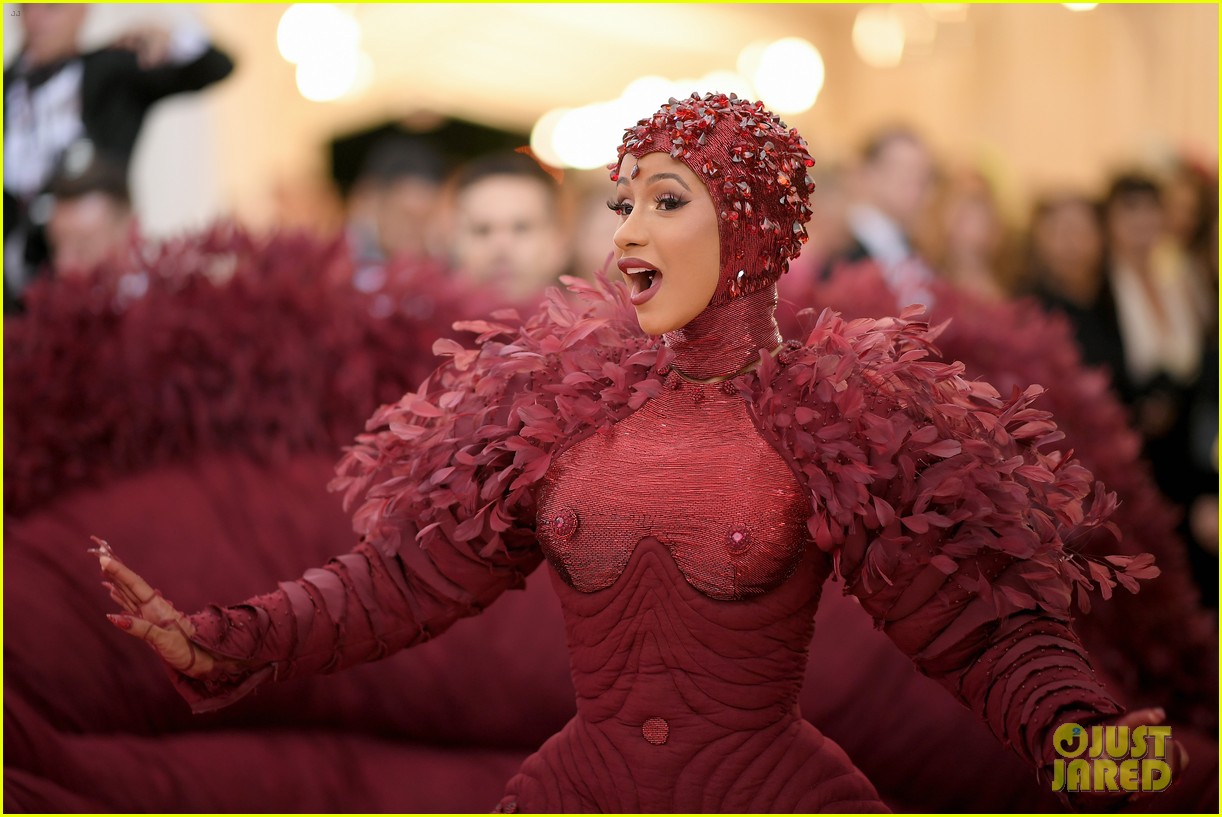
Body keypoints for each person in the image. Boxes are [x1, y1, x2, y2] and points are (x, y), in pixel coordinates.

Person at [94, 93, 1184, 812]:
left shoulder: (834, 415)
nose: (623, 235)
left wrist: (1128, 756)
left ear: (749, 233)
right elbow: (402, 581)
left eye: (666, 203)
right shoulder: (562, 402)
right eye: (623, 205)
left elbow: (984, 644)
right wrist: (226, 638)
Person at [4, 3, 233, 312]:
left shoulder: (109, 71)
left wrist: (168, 32)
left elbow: (214, 66)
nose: (36, 19)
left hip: (95, 270)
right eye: (25, 9)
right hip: (16, 283)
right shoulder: (9, 86)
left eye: (52, 8)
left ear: (82, 11)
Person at [445, 151, 568, 303]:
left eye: (521, 228)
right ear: (455, 242)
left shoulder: (601, 325)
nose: (501, 245)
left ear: (558, 243)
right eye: (482, 230)